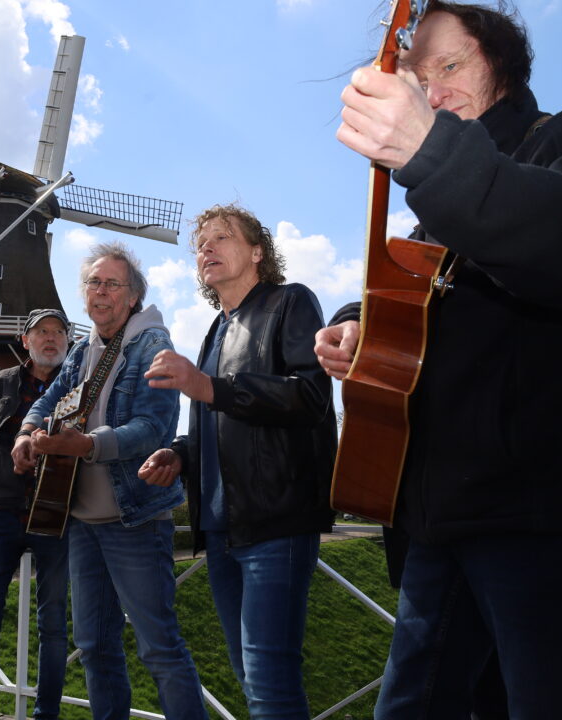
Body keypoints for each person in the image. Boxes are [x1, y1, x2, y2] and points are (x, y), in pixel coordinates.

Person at [315, 3, 562, 718]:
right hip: (436, 521)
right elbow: (413, 298)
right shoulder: (435, 206)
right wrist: (357, 327)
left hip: (541, 516)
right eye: (416, 76)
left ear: (501, 65)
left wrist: (432, 153)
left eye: (450, 66)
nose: (430, 92)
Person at [138, 204, 337, 718]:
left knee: (270, 681)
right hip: (222, 530)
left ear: (257, 252)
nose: (206, 247)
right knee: (249, 675)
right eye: (201, 242)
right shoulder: (213, 331)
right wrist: (180, 453)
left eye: (222, 237)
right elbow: (215, 419)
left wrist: (207, 387)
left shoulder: (290, 302)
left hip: (277, 520)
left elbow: (310, 396)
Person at [12, 242, 207, 720]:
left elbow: (154, 427)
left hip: (134, 518)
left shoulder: (152, 346)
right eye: (93, 283)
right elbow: (47, 399)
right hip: (81, 519)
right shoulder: (82, 350)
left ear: (133, 296)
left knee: (158, 646)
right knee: (94, 645)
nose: (100, 292)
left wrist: (89, 445)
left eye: (112, 283)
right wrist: (26, 432)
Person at [0, 308, 72, 720]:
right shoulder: (2, 383)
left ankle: (47, 715)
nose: (51, 338)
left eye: (59, 332)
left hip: (55, 515)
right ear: (25, 340)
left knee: (53, 625)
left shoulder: (77, 385)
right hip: (3, 514)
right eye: (42, 332)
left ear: (68, 341)